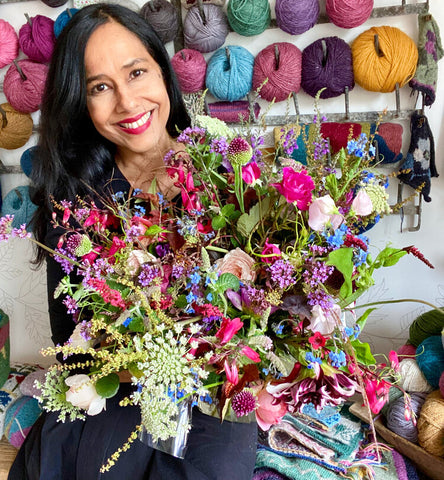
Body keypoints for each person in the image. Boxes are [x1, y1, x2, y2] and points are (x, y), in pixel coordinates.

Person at [8, 4, 257, 480]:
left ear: (163, 74)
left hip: (214, 394)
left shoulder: (231, 175)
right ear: (81, 103)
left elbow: (266, 312)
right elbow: (72, 343)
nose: (126, 101)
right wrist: (140, 355)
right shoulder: (76, 201)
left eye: (136, 72)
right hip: (116, 393)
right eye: (100, 87)